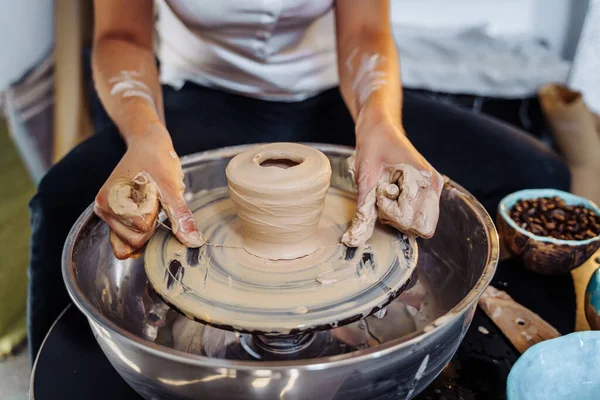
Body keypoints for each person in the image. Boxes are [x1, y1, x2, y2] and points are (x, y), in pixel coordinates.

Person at [28, 0, 570, 359]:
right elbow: (121, 35)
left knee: (535, 172)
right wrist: (145, 135)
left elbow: (365, 32)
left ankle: (514, 362)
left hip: (332, 93)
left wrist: (380, 124)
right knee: (62, 203)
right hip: (200, 95)